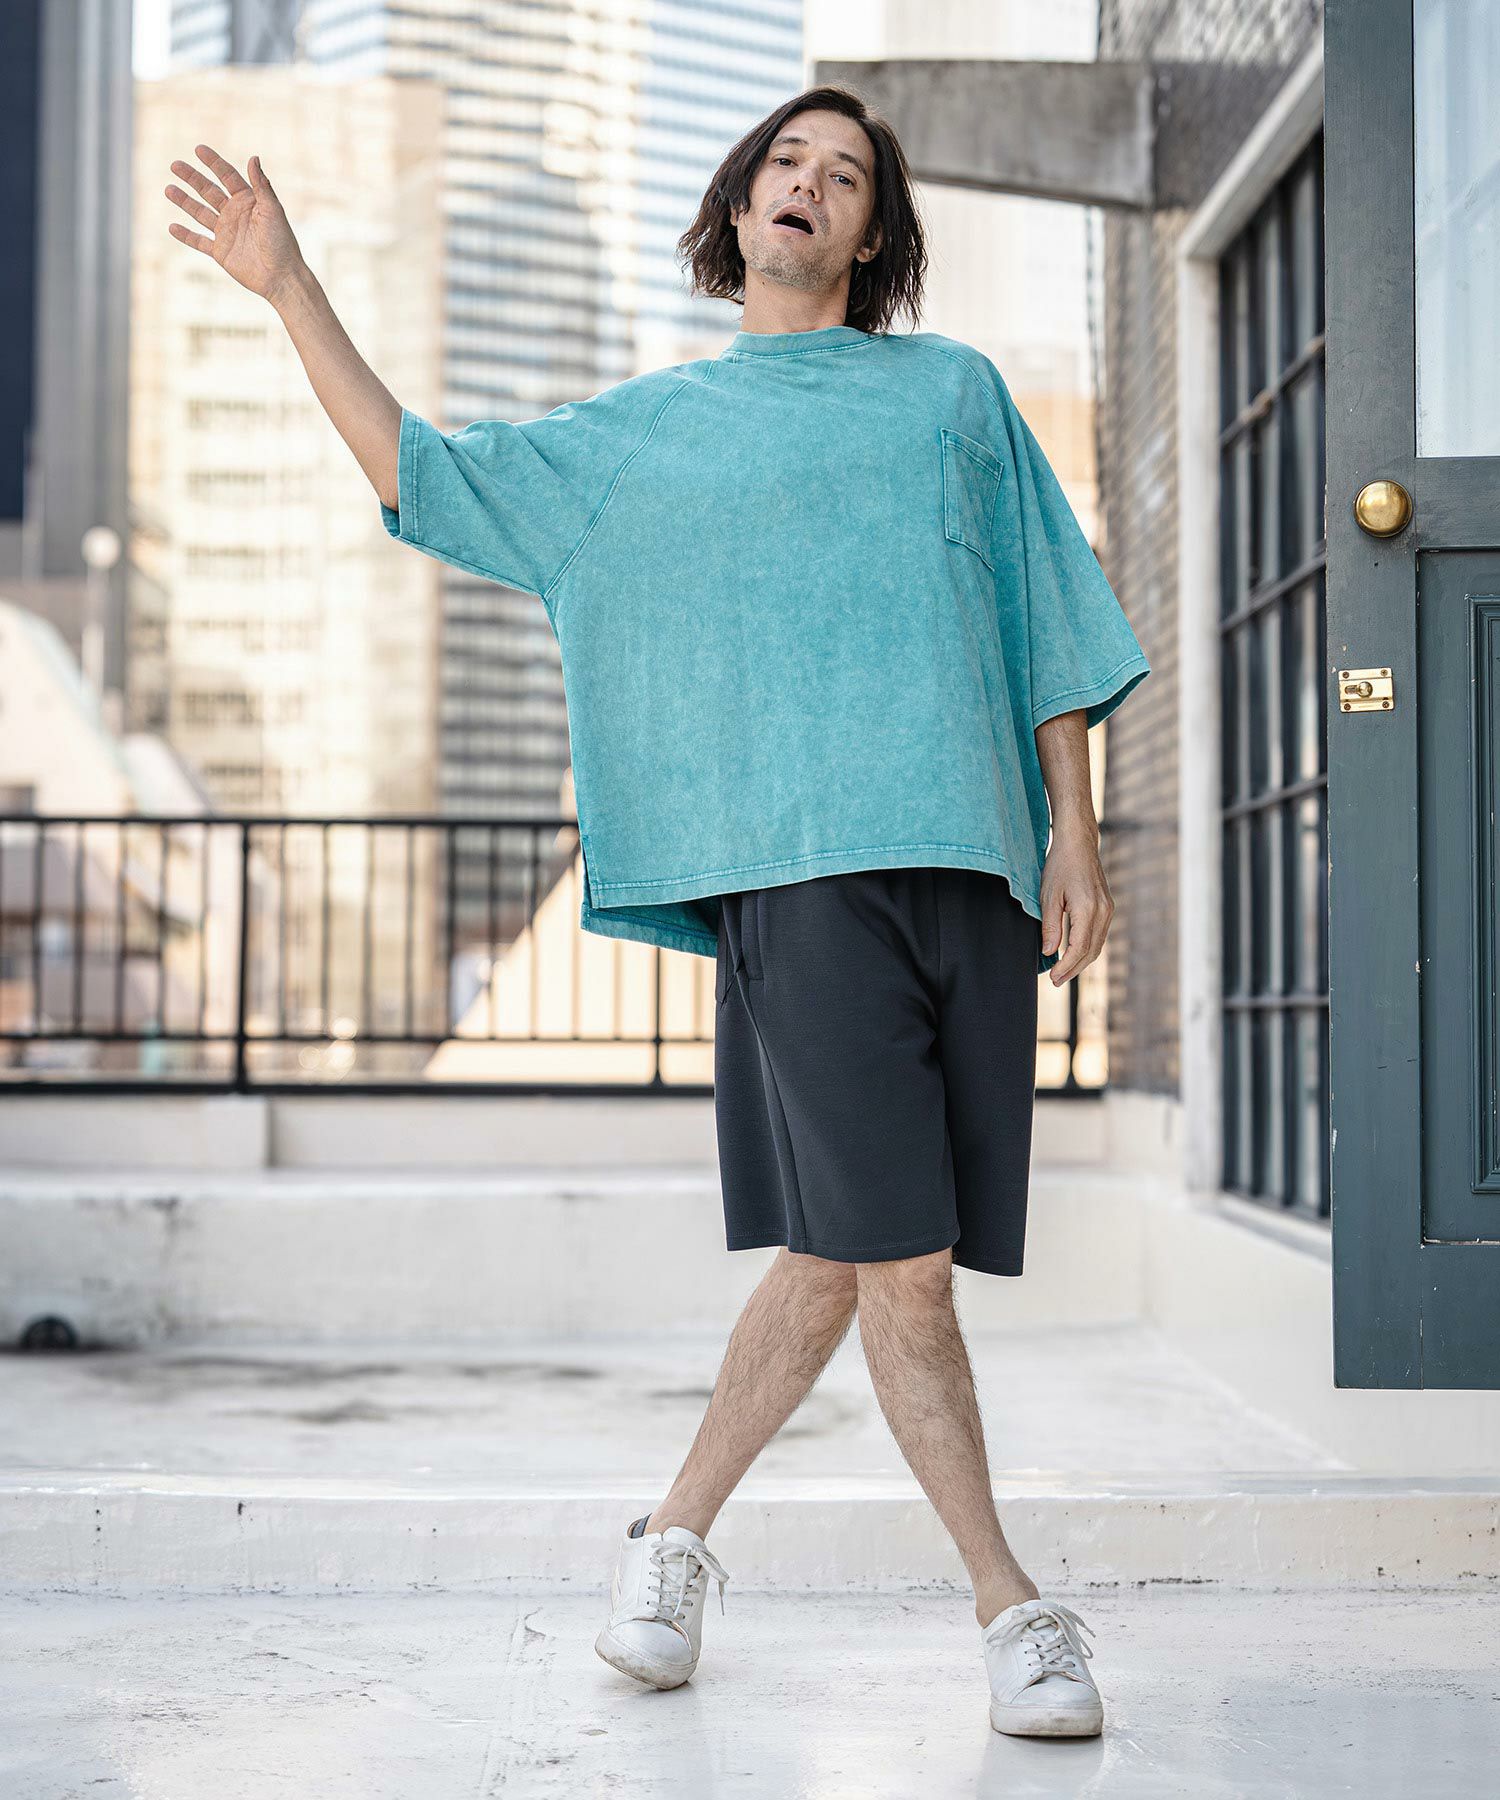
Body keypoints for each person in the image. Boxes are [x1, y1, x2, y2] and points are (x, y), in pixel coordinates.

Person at [164, 81, 1148, 1741]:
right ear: (740, 206)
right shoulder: (648, 437)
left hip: (974, 878)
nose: (811, 187)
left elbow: (1046, 611)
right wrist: (290, 286)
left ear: (873, 234)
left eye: (847, 176)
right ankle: (1013, 1610)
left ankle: (670, 1545)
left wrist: (1078, 836)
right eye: (787, 164)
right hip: (798, 885)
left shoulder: (953, 394)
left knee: (842, 1258)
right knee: (907, 1268)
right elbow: (425, 473)